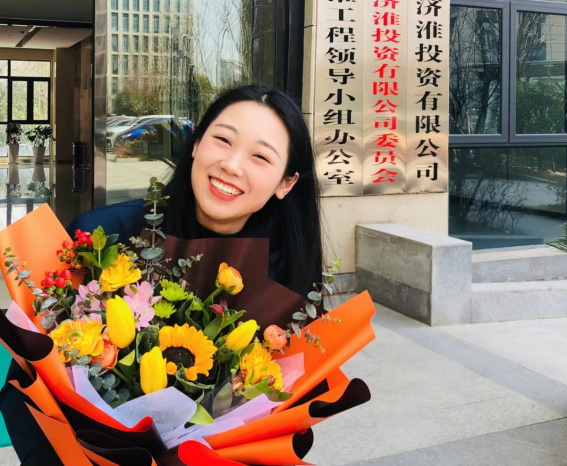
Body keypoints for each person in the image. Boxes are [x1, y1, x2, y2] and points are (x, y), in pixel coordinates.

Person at [0, 85, 324, 464]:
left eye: (260, 157)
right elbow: (30, 385)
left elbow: (280, 416)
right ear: (196, 144)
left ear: (286, 183)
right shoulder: (102, 239)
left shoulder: (283, 278)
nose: (232, 165)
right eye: (223, 140)